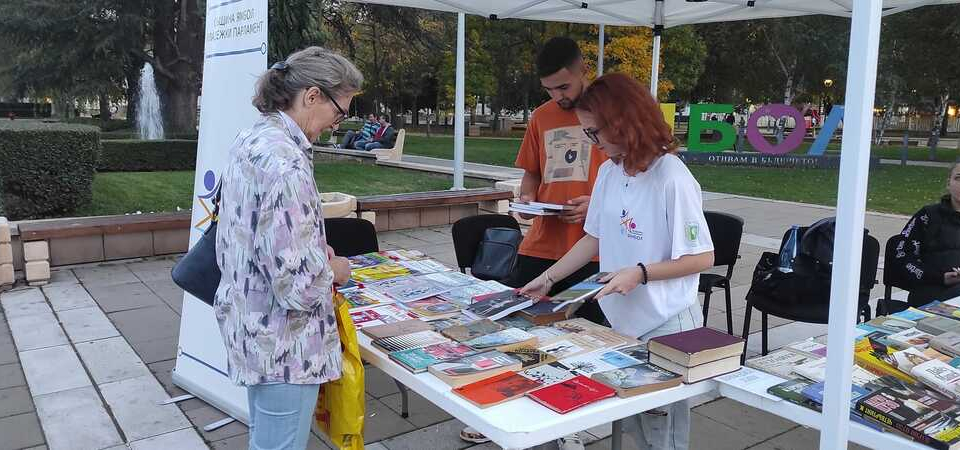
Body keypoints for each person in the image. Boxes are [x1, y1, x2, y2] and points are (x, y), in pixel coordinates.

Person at [521, 73, 715, 450]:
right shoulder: (610, 172)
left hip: (667, 322)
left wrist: (640, 273)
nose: (592, 145)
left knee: (663, 434)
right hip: (623, 320)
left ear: (623, 123)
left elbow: (702, 257)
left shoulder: (671, 177)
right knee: (631, 424)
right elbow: (595, 236)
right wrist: (548, 277)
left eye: (594, 133)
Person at [459, 36, 606, 450]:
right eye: (549, 89)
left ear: (583, 72)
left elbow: (627, 177)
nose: (558, 96)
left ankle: (571, 418)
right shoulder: (542, 117)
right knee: (519, 333)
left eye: (564, 87)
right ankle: (505, 412)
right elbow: (531, 173)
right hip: (541, 243)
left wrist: (595, 204)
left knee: (581, 338)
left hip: (593, 249)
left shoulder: (607, 114)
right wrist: (525, 201)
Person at [213, 46, 361, 450]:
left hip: (255, 328)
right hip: (285, 345)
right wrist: (336, 271)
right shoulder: (287, 164)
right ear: (312, 96)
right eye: (340, 110)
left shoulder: (256, 137)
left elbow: (259, 238)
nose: (337, 123)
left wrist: (314, 251)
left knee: (266, 439)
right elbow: (299, 288)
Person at [890, 163, 960, 307]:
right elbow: (902, 256)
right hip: (930, 293)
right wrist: (940, 278)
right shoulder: (927, 216)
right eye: (958, 178)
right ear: (949, 183)